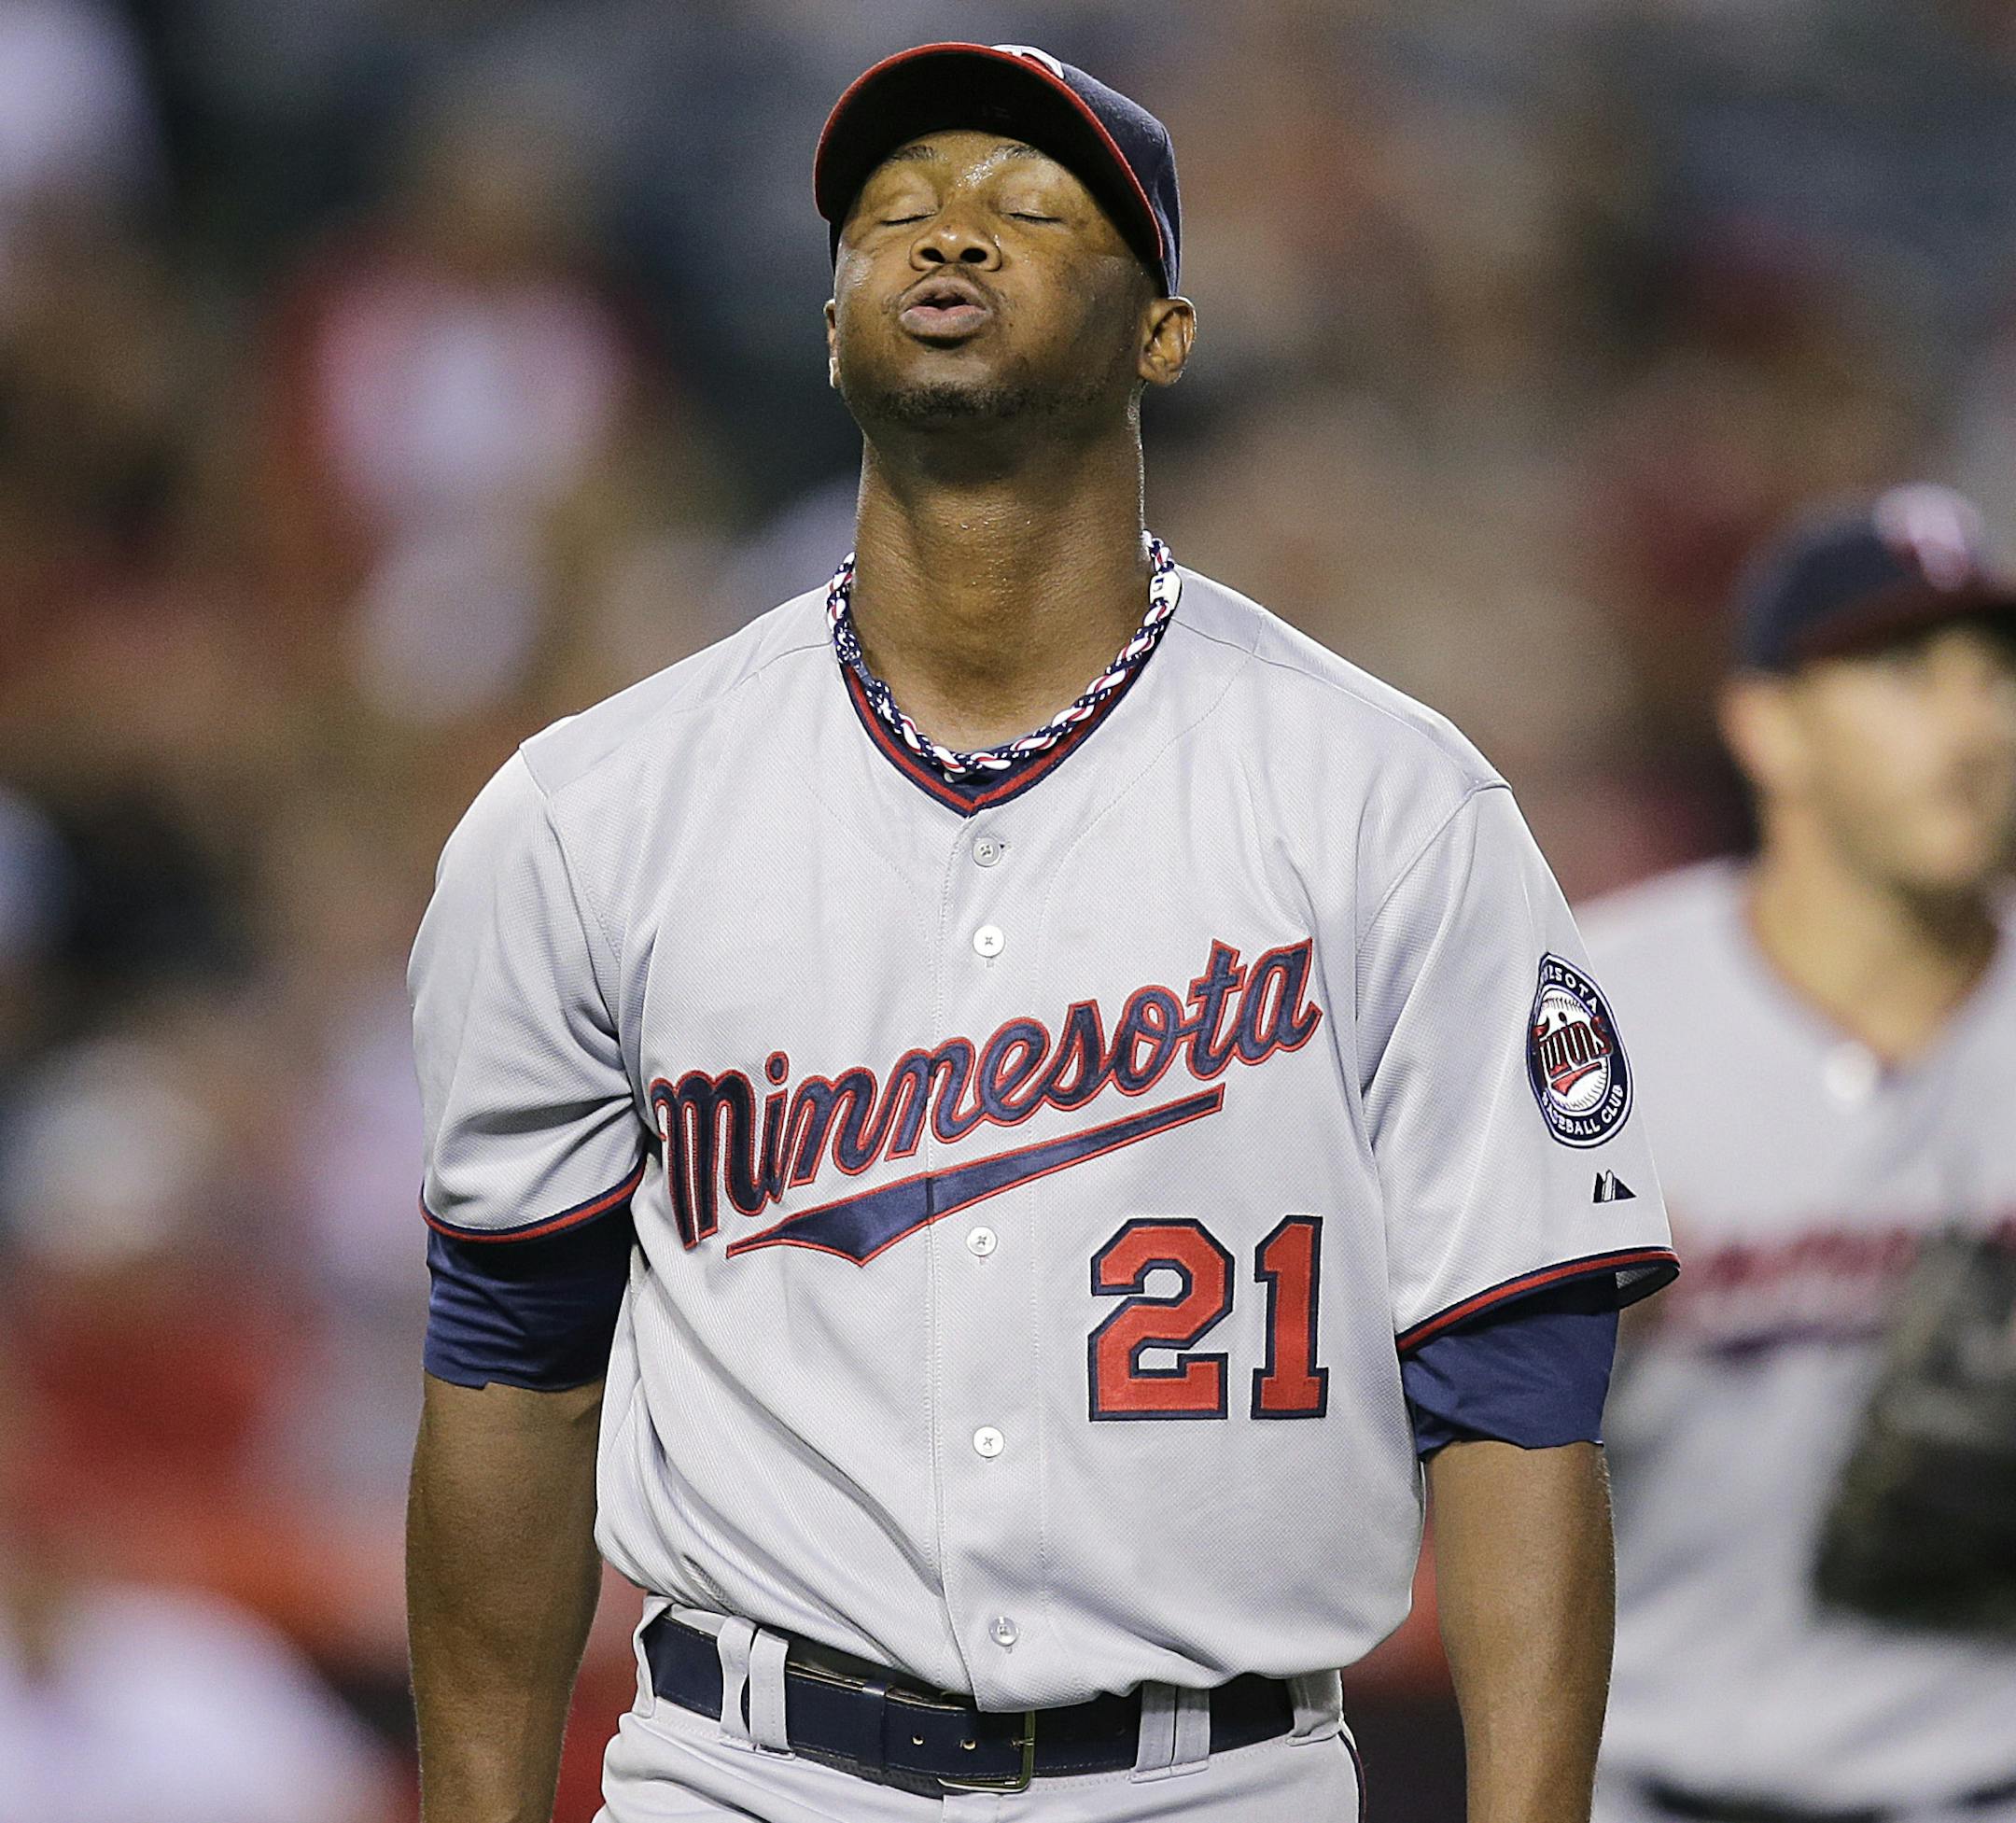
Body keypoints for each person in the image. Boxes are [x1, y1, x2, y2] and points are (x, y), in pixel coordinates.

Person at [405, 42, 1675, 1823]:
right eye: (895, 213)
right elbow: (512, 1370)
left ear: (1165, 331)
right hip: (743, 1772)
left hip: (1215, 1777)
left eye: (1031, 210)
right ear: (832, 320)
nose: (949, 240)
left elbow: (1521, 1392)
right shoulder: (590, 813)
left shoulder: (1387, 804)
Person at [1583, 484, 2016, 1823]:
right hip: (1654, 1779)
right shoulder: (1585, 1014)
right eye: (1903, 672)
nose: (1972, 726)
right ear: (1768, 725)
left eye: (1997, 676)